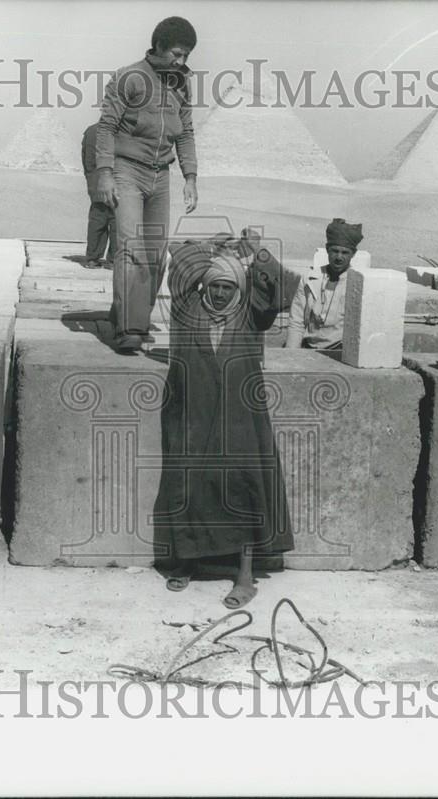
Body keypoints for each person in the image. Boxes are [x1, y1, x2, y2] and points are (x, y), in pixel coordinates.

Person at [154, 237, 293, 609]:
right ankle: (188, 561)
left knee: (241, 487)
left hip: (239, 418)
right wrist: (215, 246)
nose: (219, 293)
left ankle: (245, 575)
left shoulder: (250, 315)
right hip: (192, 413)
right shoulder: (187, 310)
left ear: (238, 289)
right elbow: (180, 258)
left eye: (227, 287)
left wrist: (256, 252)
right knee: (189, 485)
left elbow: (280, 288)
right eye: (214, 285)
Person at [93, 16, 199, 353]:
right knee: (130, 249)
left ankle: (128, 316)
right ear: (159, 46)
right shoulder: (130, 77)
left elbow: (186, 132)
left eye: (186, 56)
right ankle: (130, 329)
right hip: (127, 171)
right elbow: (107, 127)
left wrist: (191, 177)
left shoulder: (181, 85)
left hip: (161, 175)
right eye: (177, 54)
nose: (181, 61)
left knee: (155, 255)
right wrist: (105, 173)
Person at [284, 218, 363, 351]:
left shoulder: (357, 284)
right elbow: (297, 322)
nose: (339, 257)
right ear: (327, 249)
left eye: (345, 253)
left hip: (340, 352)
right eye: (335, 251)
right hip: (308, 349)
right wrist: (292, 355)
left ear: (353, 254)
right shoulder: (309, 278)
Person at [81, 122, 116, 269]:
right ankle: (113, 260)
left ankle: (92, 258)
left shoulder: (90, 131)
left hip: (95, 182)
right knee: (116, 221)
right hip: (114, 182)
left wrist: (91, 179)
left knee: (97, 221)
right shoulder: (118, 131)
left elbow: (86, 160)